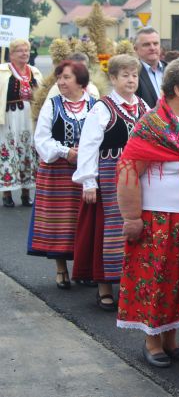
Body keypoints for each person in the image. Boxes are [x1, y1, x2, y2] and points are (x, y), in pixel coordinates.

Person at [115, 58, 179, 368]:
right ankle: (152, 340)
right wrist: (131, 218)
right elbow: (129, 169)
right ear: (178, 88)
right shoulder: (152, 124)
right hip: (160, 218)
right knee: (159, 279)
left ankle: (171, 340)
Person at [72, 55, 149, 311]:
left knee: (137, 228)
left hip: (137, 177)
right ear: (113, 78)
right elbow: (88, 146)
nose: (130, 80)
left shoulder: (143, 107)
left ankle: (131, 283)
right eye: (124, 75)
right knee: (108, 230)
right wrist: (88, 182)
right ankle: (104, 287)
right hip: (109, 176)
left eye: (134, 75)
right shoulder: (102, 108)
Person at [28, 60, 96, 289]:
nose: (61, 82)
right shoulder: (53, 104)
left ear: (80, 80)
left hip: (85, 170)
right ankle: (60, 269)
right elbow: (41, 138)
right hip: (57, 171)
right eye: (59, 77)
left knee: (83, 220)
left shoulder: (95, 105)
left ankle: (83, 268)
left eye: (66, 77)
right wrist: (66, 151)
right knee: (59, 222)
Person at [0, 39, 43, 207]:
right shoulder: (3, 72)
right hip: (9, 118)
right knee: (8, 152)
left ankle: (26, 193)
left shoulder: (35, 72)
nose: (24, 53)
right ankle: (7, 194)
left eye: (26, 50)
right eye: (20, 50)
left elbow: (42, 94)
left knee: (28, 151)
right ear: (11, 54)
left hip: (29, 117)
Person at [134, 27, 167, 108]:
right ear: (136, 49)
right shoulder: (133, 73)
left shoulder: (172, 70)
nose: (152, 48)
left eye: (155, 44)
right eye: (146, 44)